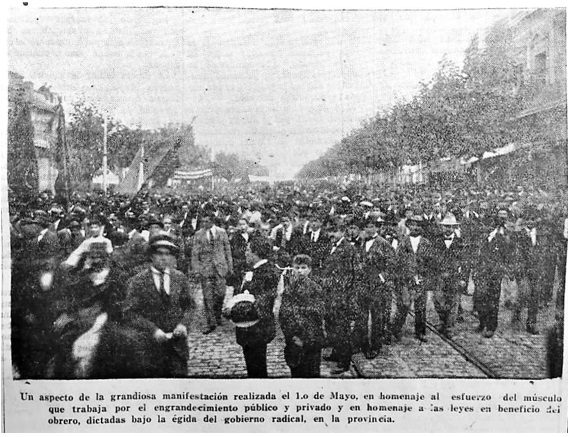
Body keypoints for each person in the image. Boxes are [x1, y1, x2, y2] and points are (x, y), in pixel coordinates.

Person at [123, 233, 195, 377]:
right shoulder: (138, 281)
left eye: (168, 254)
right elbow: (130, 313)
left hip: (177, 347)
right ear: (151, 256)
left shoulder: (179, 278)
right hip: (149, 347)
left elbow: (190, 306)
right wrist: (153, 330)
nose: (164, 258)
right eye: (159, 254)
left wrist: (183, 325)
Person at [228, 237, 279, 378]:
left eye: (248, 250)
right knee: (252, 363)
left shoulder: (267, 272)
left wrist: (232, 312)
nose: (245, 253)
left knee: (257, 366)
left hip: (257, 329)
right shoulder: (255, 270)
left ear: (256, 253)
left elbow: (261, 304)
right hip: (249, 328)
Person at [321, 218, 358, 374]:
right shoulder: (331, 246)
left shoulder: (348, 249)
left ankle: (344, 361)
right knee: (331, 326)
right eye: (330, 231)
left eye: (335, 231)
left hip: (341, 296)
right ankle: (336, 353)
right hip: (330, 295)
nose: (332, 234)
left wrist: (340, 295)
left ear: (343, 231)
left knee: (341, 329)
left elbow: (349, 275)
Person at [279, 254, 325, 377]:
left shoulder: (316, 289)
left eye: (303, 267)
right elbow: (284, 316)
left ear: (309, 269)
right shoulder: (289, 291)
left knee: (313, 372)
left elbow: (317, 315)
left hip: (312, 341)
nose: (300, 271)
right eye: (297, 267)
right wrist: (293, 336)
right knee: (297, 371)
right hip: (295, 340)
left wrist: (306, 337)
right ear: (292, 269)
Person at [355, 217, 395, 358]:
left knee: (377, 317)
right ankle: (362, 343)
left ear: (377, 228)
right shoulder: (362, 242)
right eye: (367, 227)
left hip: (377, 286)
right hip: (363, 285)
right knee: (362, 316)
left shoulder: (383, 243)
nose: (369, 229)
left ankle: (375, 346)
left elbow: (391, 264)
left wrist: (381, 278)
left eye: (372, 226)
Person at [392, 215, 434, 343]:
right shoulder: (403, 241)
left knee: (421, 307)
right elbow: (397, 262)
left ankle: (420, 331)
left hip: (421, 279)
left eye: (419, 225)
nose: (415, 227)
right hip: (406, 279)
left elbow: (430, 263)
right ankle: (396, 329)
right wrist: (402, 279)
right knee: (403, 305)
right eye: (413, 225)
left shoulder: (426, 243)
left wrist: (424, 277)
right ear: (409, 226)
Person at [191, 214, 234, 334]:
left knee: (221, 293)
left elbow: (227, 250)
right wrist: (196, 269)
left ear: (212, 221)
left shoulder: (222, 232)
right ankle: (211, 322)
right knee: (208, 296)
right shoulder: (199, 234)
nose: (204, 224)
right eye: (203, 221)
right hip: (206, 269)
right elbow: (195, 253)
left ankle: (217, 314)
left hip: (220, 268)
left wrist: (230, 267)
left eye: (206, 221)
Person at [432, 213, 467, 337]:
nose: (448, 229)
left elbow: (464, 262)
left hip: (454, 276)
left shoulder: (460, 242)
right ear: (442, 227)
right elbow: (431, 259)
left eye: (451, 226)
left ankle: (449, 327)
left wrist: (463, 278)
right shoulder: (436, 240)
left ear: (455, 227)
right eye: (446, 226)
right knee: (438, 300)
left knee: (453, 302)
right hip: (439, 275)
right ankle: (442, 321)